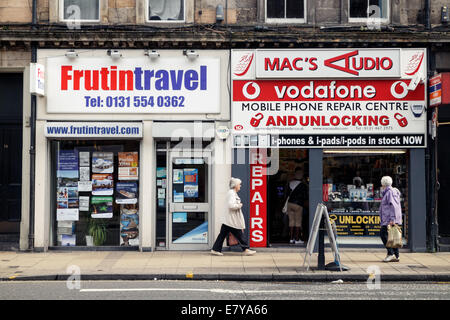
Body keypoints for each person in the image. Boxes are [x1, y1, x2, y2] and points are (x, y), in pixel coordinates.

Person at [211, 177, 256, 256]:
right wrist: (239, 205)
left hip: (229, 219)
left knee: (222, 235)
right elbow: (231, 205)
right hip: (231, 219)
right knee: (239, 234)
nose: (240, 186)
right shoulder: (231, 193)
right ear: (235, 185)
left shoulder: (232, 193)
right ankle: (246, 249)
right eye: (239, 184)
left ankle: (215, 249)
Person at [379, 176, 403, 262]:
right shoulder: (390, 192)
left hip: (389, 220)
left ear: (383, 184)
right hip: (389, 219)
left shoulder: (390, 192)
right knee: (392, 237)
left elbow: (393, 206)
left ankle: (390, 253)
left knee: (383, 235)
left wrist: (392, 219)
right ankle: (396, 255)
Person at [286, 167, 308, 244]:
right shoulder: (303, 185)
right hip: (298, 204)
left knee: (291, 222)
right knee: (298, 222)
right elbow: (305, 196)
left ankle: (291, 239)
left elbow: (286, 194)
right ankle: (297, 239)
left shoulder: (290, 183)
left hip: (289, 204)